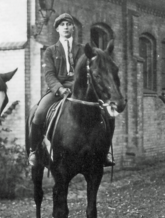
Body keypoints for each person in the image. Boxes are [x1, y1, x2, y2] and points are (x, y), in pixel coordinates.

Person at [29, 13, 115, 167]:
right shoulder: (50, 51)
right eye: (62, 25)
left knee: (108, 113)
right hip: (58, 90)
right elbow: (49, 75)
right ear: (57, 29)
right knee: (39, 113)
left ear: (73, 28)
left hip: (80, 91)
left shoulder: (84, 50)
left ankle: (104, 152)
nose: (66, 27)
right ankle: (34, 151)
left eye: (69, 24)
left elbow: (93, 69)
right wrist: (60, 89)